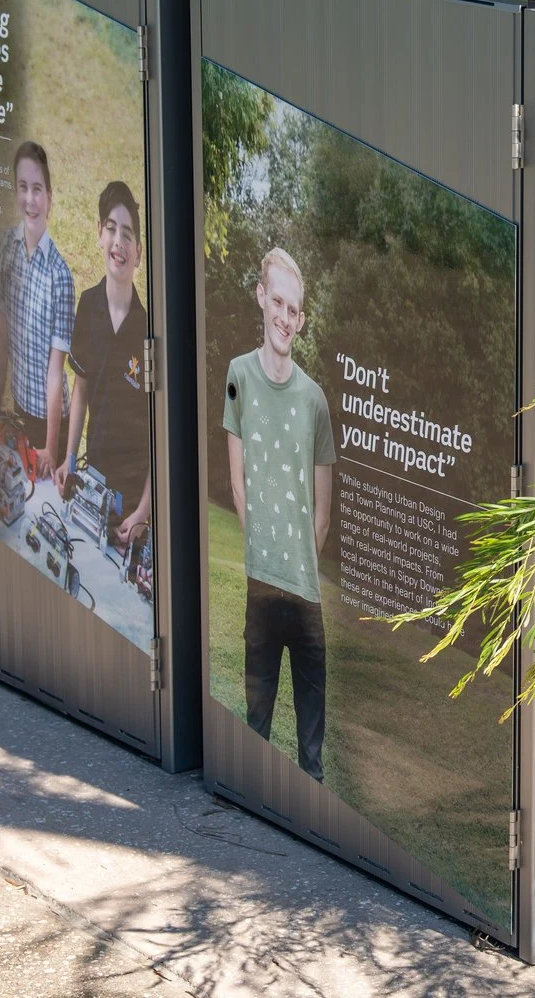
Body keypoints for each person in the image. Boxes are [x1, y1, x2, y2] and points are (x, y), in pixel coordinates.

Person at [222, 247, 336, 780]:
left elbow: (323, 514)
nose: (285, 318)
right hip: (260, 586)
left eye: (295, 311)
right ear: (261, 297)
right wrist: (263, 556)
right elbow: (237, 483)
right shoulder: (238, 375)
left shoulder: (315, 400)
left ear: (302, 319)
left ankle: (310, 830)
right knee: (257, 725)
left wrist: (296, 566)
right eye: (279, 303)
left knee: (311, 754)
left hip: (305, 594)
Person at [63, 181, 152, 583]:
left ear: (138, 253)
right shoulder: (87, 306)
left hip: (134, 499)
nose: (119, 241)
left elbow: (158, 432)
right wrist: (68, 462)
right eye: (112, 229)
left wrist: (143, 513)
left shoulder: (149, 332)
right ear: (100, 234)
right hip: (92, 484)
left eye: (128, 233)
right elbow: (79, 395)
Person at [0, 141, 73, 477]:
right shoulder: (5, 246)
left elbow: (56, 373)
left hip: (51, 422)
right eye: (23, 188)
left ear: (49, 198)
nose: (29, 199)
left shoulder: (60, 276)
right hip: (19, 406)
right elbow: (0, 331)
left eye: (37, 189)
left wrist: (51, 448)